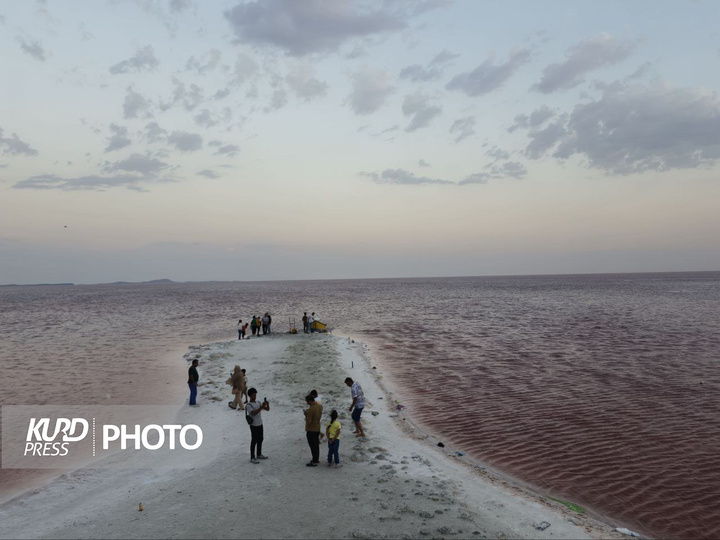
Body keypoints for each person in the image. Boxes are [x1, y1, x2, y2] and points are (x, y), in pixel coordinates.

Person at [246, 388, 270, 464]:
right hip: (253, 425)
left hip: (260, 424)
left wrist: (267, 404)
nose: (255, 396)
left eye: (255, 395)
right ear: (249, 396)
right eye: (253, 395)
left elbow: (267, 409)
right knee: (254, 440)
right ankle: (252, 457)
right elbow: (254, 413)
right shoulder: (248, 405)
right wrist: (261, 407)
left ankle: (259, 454)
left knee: (260, 439)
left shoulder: (258, 402)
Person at [304, 393, 323, 466]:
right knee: (316, 445)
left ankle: (314, 460)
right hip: (317, 427)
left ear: (310, 401)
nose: (307, 403)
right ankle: (316, 459)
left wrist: (306, 414)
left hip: (311, 429)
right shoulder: (319, 406)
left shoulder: (311, 409)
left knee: (312, 445)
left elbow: (309, 421)